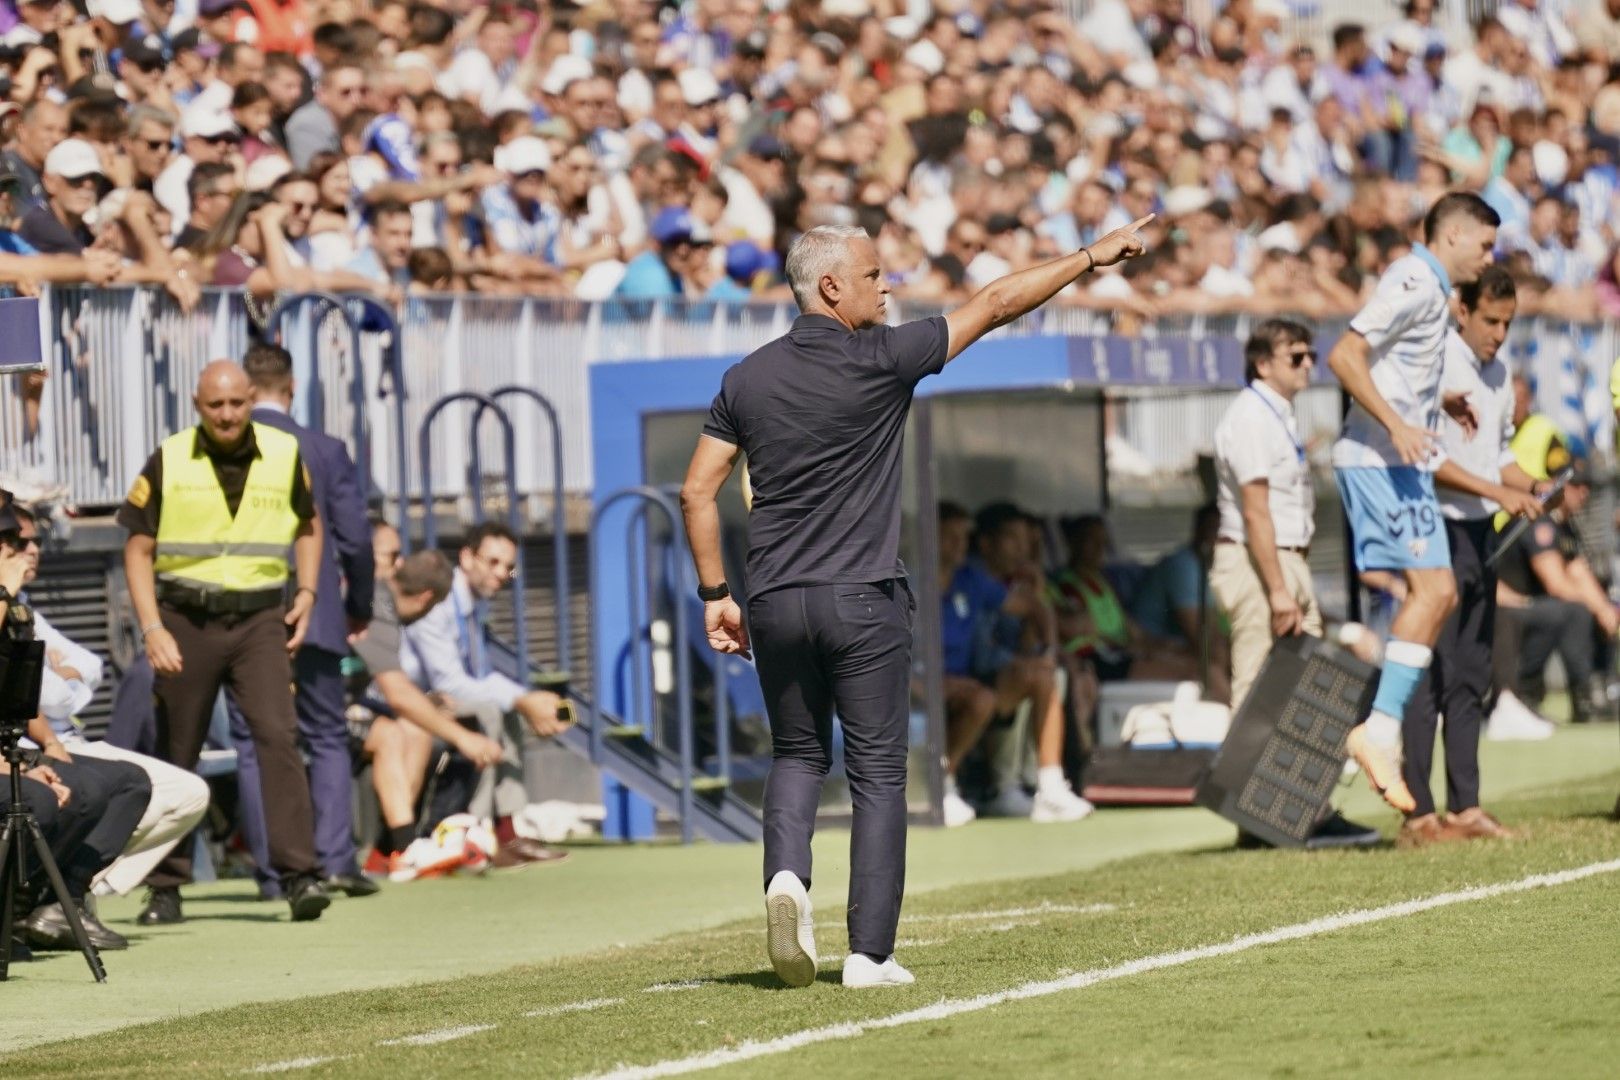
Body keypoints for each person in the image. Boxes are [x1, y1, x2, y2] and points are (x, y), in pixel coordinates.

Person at [679, 215, 1152, 989]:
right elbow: (997, 302)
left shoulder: (745, 378)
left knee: (797, 753)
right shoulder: (883, 357)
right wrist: (1095, 255)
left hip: (771, 600)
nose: (887, 286)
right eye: (873, 276)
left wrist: (715, 596)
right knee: (877, 774)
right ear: (831, 287)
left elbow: (698, 490)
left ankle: (787, 878)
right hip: (862, 601)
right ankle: (868, 954)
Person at [117, 360, 331, 924]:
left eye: (238, 403)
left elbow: (309, 524)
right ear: (197, 404)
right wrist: (152, 627)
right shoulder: (171, 458)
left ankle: (300, 875)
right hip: (185, 618)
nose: (229, 414)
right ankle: (165, 888)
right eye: (217, 405)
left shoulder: (284, 455)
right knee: (177, 749)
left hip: (260, 618)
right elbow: (137, 550)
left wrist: (307, 590)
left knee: (278, 735)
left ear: (251, 398)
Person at [1326, 191, 1502, 812]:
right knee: (1433, 592)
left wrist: (1435, 404)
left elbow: (1393, 365)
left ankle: (1378, 731)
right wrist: (1398, 425)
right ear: (1451, 237)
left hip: (1401, 463)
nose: (1490, 259)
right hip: (1379, 460)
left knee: (1442, 591)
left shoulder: (1429, 289)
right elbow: (1345, 356)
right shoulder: (1412, 279)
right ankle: (1378, 731)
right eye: (1485, 245)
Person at [229, 342, 376, 899]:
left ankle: (276, 874)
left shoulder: (225, 446)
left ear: (246, 389)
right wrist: (358, 603)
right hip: (316, 612)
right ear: (290, 388)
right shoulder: (324, 447)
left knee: (252, 741)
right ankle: (336, 859)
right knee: (327, 735)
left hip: (246, 611)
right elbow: (355, 538)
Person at [14, 504, 211, 909]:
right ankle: (56, 895)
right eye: (19, 542)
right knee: (127, 788)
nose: (33, 549)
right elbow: (45, 696)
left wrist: (64, 675)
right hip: (34, 748)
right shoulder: (7, 607)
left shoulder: (25, 605)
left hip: (66, 738)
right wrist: (65, 679)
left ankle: (70, 890)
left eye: (35, 540)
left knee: (187, 793)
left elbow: (92, 665)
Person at [401, 521, 570, 868]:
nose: (501, 573)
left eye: (508, 567)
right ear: (466, 557)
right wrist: (522, 700)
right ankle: (476, 833)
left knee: (503, 707)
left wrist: (525, 700)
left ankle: (506, 830)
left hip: (437, 700)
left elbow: (478, 677)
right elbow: (449, 681)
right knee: (489, 710)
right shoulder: (440, 600)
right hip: (409, 703)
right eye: (492, 562)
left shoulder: (474, 604)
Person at [352, 536, 504, 877]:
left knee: (416, 730)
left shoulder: (384, 599)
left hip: (354, 704)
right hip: (310, 707)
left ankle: (387, 851)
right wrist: (465, 739)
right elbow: (397, 694)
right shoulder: (379, 605)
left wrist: (427, 705)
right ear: (424, 597)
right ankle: (405, 848)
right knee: (391, 734)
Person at [1128, 504, 1231, 703]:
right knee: (1214, 664)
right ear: (1198, 531)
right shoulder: (1183, 565)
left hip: (1173, 648)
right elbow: (1202, 639)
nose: (1219, 540)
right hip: (1148, 650)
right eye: (1213, 530)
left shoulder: (1214, 568)